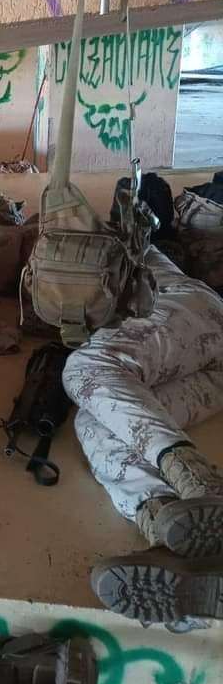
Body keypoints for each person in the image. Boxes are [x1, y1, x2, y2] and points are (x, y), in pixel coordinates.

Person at [63, 249, 223, 624]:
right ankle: (171, 538)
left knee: (87, 368)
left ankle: (201, 482)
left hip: (196, 315)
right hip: (201, 371)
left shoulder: (96, 238)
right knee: (96, 419)